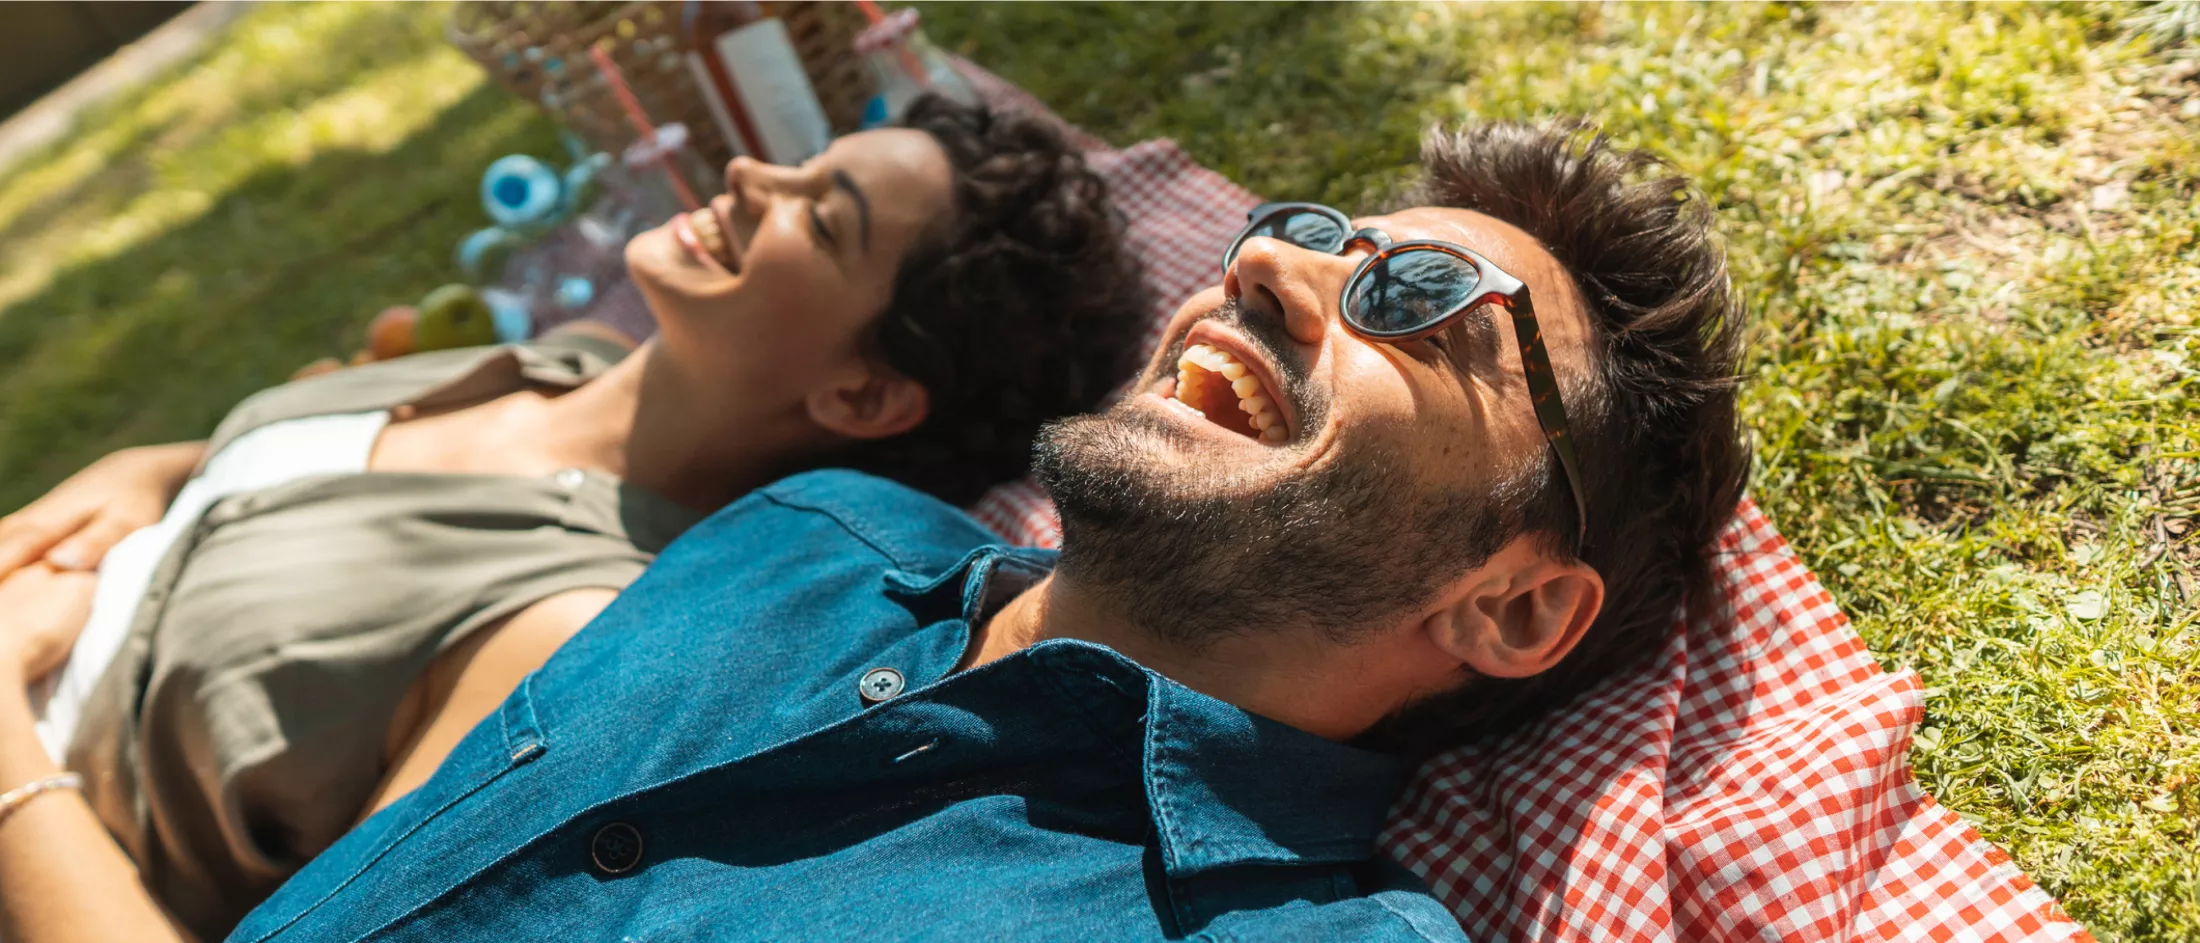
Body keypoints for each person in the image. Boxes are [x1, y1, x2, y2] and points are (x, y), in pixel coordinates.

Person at [0, 96, 1148, 941]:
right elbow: (264, 478)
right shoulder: (557, 361)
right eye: (802, 162)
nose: (752, 173)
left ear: (861, 396)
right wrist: (144, 470)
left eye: (823, 217)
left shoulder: (571, 627)